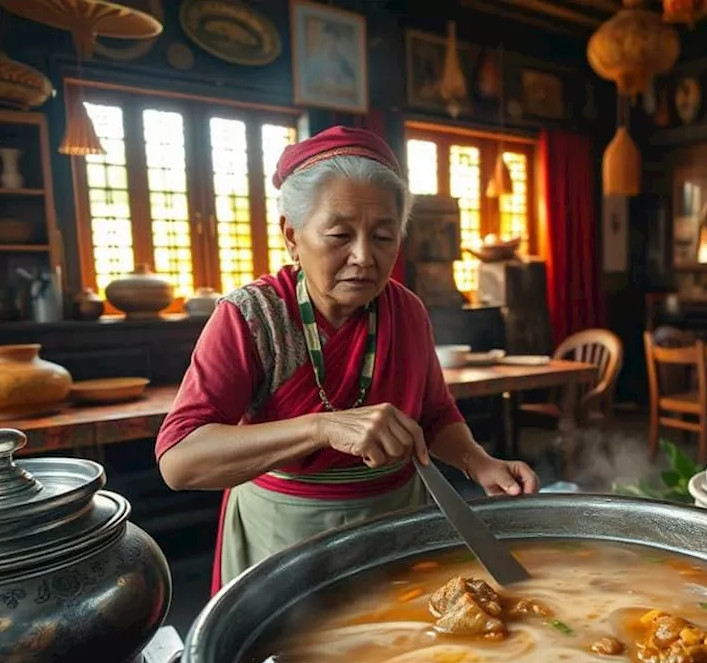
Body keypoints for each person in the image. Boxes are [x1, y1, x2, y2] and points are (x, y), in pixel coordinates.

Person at [155, 126, 540, 594]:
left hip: (397, 524)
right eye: (339, 234)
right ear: (292, 235)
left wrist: (479, 463)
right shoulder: (251, 316)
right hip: (284, 535)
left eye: (383, 237)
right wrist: (320, 427)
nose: (363, 256)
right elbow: (179, 461)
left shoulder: (406, 311)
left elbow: (435, 414)